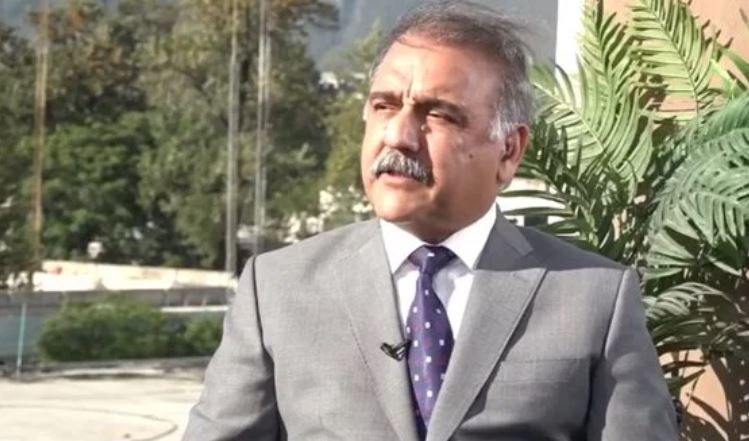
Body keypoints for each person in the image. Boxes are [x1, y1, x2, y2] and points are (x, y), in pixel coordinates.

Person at [183, 1, 679, 440]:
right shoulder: (276, 290)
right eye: (384, 106)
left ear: (509, 150)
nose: (398, 136)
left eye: (438, 114)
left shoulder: (593, 298)